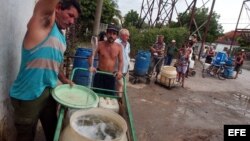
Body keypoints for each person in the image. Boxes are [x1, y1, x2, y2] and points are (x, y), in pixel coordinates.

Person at [9, 0, 81, 141]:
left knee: (53, 130)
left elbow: (55, 64)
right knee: (26, 136)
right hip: (28, 96)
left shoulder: (61, 37)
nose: (72, 21)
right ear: (58, 8)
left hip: (49, 92)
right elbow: (45, 7)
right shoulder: (43, 25)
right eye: (70, 15)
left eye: (75, 19)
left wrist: (64, 79)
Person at [89, 24, 123, 95]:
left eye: (114, 34)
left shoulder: (119, 47)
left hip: (111, 75)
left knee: (109, 97)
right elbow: (91, 57)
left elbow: (121, 61)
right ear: (106, 33)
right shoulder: (99, 44)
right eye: (110, 33)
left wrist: (119, 71)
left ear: (116, 36)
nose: (111, 35)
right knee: (96, 95)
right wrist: (91, 66)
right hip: (100, 74)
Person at [115, 28, 130, 95]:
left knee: (123, 85)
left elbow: (127, 54)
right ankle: (119, 100)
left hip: (126, 68)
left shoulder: (128, 44)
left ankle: (119, 98)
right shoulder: (116, 42)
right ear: (121, 35)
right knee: (120, 84)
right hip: (118, 68)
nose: (127, 37)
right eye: (126, 35)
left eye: (128, 35)